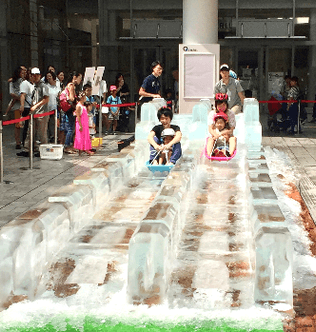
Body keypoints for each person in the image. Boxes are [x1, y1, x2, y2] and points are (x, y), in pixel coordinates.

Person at [17, 67, 49, 157]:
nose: (34, 77)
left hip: (42, 113)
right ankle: (27, 149)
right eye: (33, 75)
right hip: (34, 113)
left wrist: (36, 106)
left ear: (40, 76)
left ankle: (43, 150)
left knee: (41, 133)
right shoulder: (34, 86)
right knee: (30, 131)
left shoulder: (43, 86)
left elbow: (46, 99)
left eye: (36, 75)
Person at [60, 71, 82, 153]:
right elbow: (71, 98)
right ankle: (67, 146)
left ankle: (70, 145)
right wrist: (78, 99)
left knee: (71, 128)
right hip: (70, 110)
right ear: (75, 78)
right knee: (70, 128)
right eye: (80, 78)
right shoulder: (71, 85)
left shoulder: (69, 85)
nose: (80, 80)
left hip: (70, 109)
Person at [6, 66, 27, 149]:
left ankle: (25, 140)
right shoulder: (13, 82)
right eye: (22, 72)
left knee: (26, 124)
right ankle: (18, 142)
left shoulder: (25, 81)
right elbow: (12, 93)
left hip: (25, 104)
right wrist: (20, 98)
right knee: (18, 124)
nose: (24, 74)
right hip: (17, 104)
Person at [73, 91, 94, 155]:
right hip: (81, 123)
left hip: (84, 123)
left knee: (85, 136)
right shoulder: (78, 106)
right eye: (84, 97)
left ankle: (84, 149)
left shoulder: (82, 105)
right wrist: (80, 125)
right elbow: (78, 116)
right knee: (80, 136)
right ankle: (82, 149)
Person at [19, 68, 34, 147]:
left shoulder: (34, 84)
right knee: (26, 127)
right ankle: (25, 144)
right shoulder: (25, 83)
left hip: (34, 107)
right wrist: (22, 105)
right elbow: (23, 95)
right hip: (27, 107)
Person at [45, 71, 61, 142]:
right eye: (47, 76)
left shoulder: (57, 86)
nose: (48, 78)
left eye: (50, 76)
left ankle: (55, 136)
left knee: (54, 123)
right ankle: (49, 136)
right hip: (47, 108)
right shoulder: (46, 86)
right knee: (47, 123)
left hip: (55, 107)